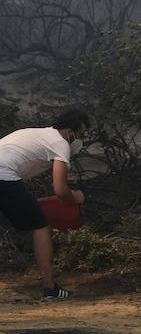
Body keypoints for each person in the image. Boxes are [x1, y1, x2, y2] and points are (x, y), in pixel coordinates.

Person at [0, 110, 90, 300]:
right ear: (68, 132)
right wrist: (76, 197)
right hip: (3, 175)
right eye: (79, 134)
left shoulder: (39, 134)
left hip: (4, 174)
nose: (79, 140)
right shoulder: (59, 144)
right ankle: (50, 289)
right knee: (41, 226)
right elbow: (60, 189)